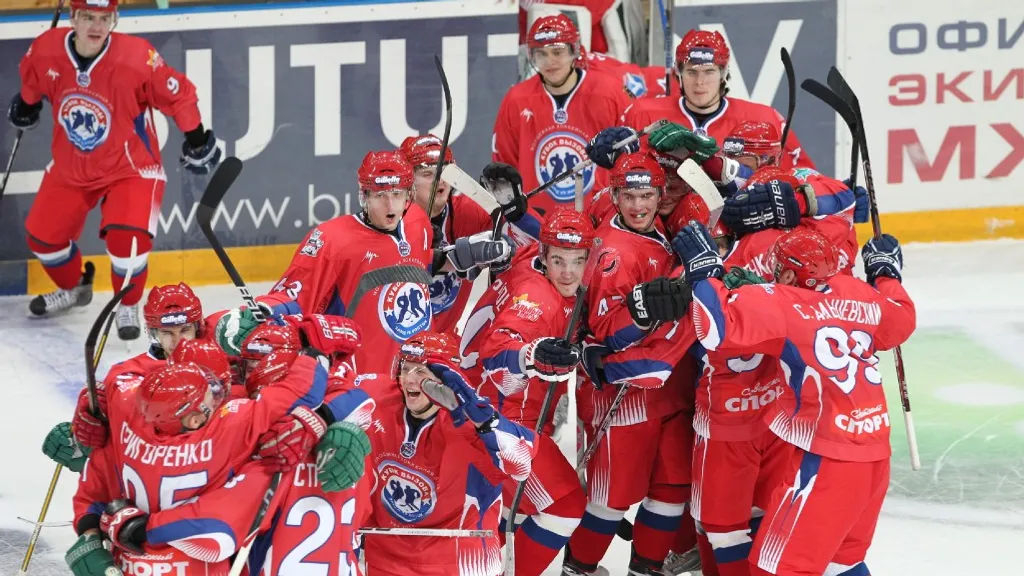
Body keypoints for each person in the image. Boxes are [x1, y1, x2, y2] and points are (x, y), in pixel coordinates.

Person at [674, 222, 916, 576]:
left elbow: (715, 328)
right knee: (840, 562)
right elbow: (902, 320)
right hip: (875, 453)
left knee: (772, 568)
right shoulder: (856, 291)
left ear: (788, 274)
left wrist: (705, 272)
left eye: (778, 268)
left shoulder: (782, 302)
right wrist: (885, 273)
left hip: (826, 459)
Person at [9, 0, 220, 337]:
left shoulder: (136, 58)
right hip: (71, 165)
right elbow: (33, 78)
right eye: (88, 17)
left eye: (104, 18)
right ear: (73, 18)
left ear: (115, 19)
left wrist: (197, 139)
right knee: (43, 239)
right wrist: (26, 104)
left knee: (128, 241)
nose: (97, 26)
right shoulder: (47, 48)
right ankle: (75, 288)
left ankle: (126, 304)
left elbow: (177, 95)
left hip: (131, 168)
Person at [563, 151, 697, 576]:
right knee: (612, 496)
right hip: (623, 393)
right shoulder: (614, 251)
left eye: (646, 196)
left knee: (672, 486)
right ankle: (578, 568)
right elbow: (604, 331)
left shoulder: (659, 232)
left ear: (659, 195)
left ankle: (646, 567)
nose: (638, 206)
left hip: (669, 385)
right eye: (628, 196)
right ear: (615, 196)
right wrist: (641, 310)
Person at [460, 208, 596, 576]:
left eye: (577, 261)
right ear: (545, 255)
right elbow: (497, 349)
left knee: (509, 512)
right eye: (559, 261)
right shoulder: (538, 300)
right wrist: (529, 355)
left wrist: (523, 213)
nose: (568, 272)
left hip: (478, 407)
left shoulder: (527, 259)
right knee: (565, 505)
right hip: (504, 424)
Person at [348, 331, 538, 576]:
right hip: (386, 558)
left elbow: (521, 466)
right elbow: (332, 391)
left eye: (421, 372)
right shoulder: (377, 398)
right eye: (406, 369)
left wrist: (482, 420)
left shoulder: (473, 425)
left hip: (460, 561)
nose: (409, 380)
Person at [617, 29, 814, 180]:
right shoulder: (644, 114)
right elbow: (618, 180)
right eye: (691, 72)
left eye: (709, 72)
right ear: (679, 73)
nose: (700, 82)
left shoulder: (764, 119)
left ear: (723, 73)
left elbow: (805, 177)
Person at [493, 14, 632, 216]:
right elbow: (506, 164)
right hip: (539, 220)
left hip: (601, 215)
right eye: (541, 54)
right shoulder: (516, 100)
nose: (550, 61)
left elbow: (632, 153)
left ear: (574, 51)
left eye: (557, 52)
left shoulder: (610, 93)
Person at [399, 135, 539, 334]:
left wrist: (517, 214)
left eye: (445, 172)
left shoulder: (468, 212)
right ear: (407, 181)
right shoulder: (388, 221)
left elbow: (545, 246)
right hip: (391, 343)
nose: (440, 181)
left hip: (444, 343)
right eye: (428, 174)